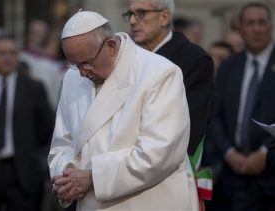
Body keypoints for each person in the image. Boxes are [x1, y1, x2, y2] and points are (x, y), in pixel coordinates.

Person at [48, 10, 199, 211]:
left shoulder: (160, 73)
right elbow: (62, 143)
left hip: (148, 202)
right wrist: (68, 176)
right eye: (75, 64)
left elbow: (158, 153)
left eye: (86, 63)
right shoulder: (72, 77)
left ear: (110, 47)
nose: (82, 73)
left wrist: (93, 178)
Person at [206, 2, 275, 210]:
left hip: (271, 171)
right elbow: (214, 114)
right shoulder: (229, 66)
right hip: (233, 175)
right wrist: (229, 153)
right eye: (250, 23)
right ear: (240, 28)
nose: (256, 28)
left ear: (270, 27)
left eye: (261, 22)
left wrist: (264, 152)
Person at [122, 0, 214, 155]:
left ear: (164, 17)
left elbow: (189, 126)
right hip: (123, 158)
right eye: (130, 14)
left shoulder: (195, 60)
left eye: (140, 13)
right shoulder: (127, 57)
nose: (132, 21)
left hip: (167, 162)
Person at [0, 34, 54, 211]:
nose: (7, 58)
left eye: (12, 53)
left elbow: (49, 130)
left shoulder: (34, 88)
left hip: (23, 175)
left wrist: (39, 167)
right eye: (2, 53)